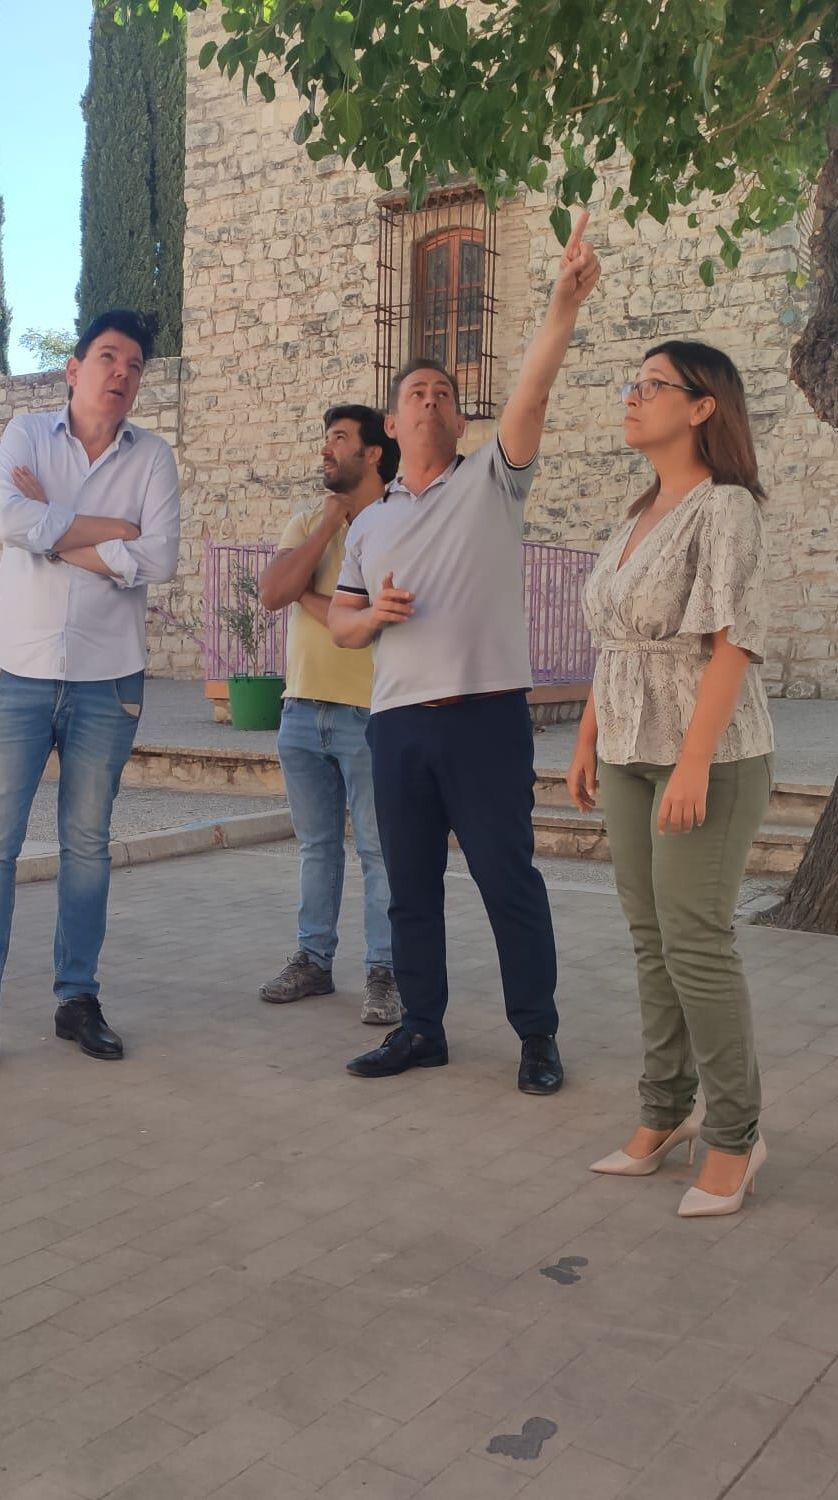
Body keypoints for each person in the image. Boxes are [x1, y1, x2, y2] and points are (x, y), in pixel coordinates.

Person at [328, 215, 602, 1095]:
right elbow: (340, 624)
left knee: (505, 882)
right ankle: (422, 1027)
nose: (434, 399)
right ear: (393, 424)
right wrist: (376, 620)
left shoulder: (494, 479)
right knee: (410, 890)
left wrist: (561, 302)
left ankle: (537, 1034)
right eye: (417, 393)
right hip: (398, 727)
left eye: (445, 390)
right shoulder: (369, 524)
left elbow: (533, 387)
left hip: (486, 719)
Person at [0, 309, 181, 1085]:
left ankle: (77, 1000)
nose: (121, 372)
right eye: (107, 357)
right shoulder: (26, 435)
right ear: (74, 367)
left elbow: (157, 552)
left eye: (133, 363)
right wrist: (106, 533)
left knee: (88, 850)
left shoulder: (153, 457)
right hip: (17, 671)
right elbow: (9, 518)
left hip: (109, 678)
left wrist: (52, 528)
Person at [570, 341, 776, 1218]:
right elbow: (615, 641)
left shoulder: (724, 509)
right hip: (624, 747)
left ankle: (735, 1136)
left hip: (710, 753)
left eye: (652, 386)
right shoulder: (635, 515)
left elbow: (733, 637)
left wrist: (693, 758)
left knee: (696, 940)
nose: (633, 397)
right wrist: (586, 737)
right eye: (632, 384)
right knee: (650, 937)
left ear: (701, 408)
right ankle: (663, 1113)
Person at [254, 405, 401, 1024]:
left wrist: (313, 598)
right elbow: (269, 594)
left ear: (372, 453)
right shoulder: (307, 520)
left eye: (339, 439)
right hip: (301, 710)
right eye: (325, 439)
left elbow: (372, 622)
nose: (326, 450)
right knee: (317, 847)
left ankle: (385, 972)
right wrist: (326, 528)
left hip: (370, 714)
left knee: (378, 849)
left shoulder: (400, 521)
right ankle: (314, 960)